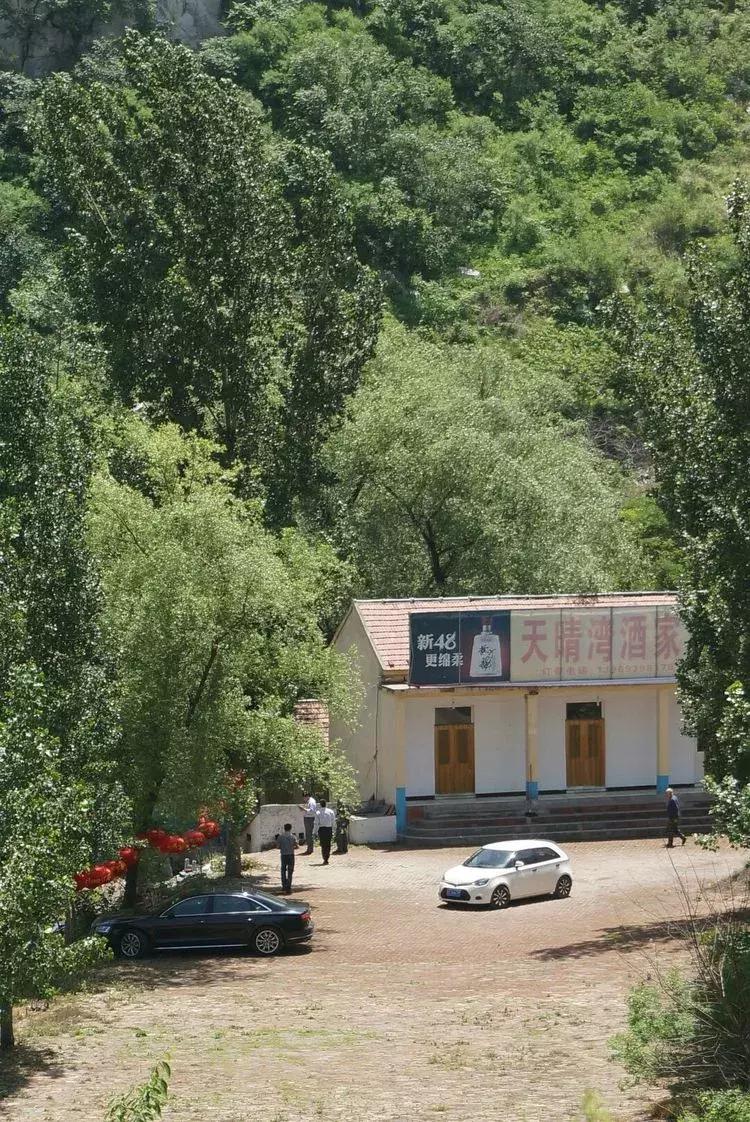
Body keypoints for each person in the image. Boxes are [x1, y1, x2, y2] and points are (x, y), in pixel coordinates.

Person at [277, 823, 299, 893]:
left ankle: (284, 886)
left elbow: (278, 846)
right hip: (291, 854)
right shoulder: (293, 837)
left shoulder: (280, 837)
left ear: (284, 828)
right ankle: (288, 886)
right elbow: (297, 846)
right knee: (290, 871)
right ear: (290, 828)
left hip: (283, 855)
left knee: (283, 870)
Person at [315, 799, 336, 865]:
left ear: (320, 805)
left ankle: (325, 858)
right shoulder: (331, 811)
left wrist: (315, 832)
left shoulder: (318, 812)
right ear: (326, 804)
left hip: (322, 829)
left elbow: (316, 823)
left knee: (323, 844)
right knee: (328, 844)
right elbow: (333, 821)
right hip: (329, 829)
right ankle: (327, 857)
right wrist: (334, 830)